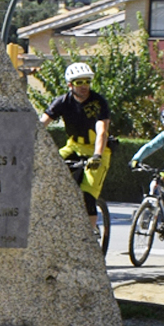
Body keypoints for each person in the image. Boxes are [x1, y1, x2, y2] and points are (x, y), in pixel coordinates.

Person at [44, 61, 113, 219]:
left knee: (87, 197)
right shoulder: (62, 102)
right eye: (79, 82)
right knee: (46, 168)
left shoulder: (98, 102)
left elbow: (102, 132)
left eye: (87, 82)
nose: (84, 86)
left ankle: (89, 239)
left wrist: (97, 156)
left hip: (97, 150)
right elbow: (40, 125)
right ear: (70, 85)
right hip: (74, 147)